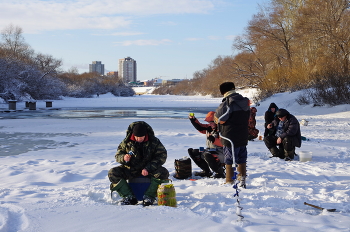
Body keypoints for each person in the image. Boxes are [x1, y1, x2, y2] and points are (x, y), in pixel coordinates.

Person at [108, 121, 169, 206]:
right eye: (137, 137)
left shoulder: (154, 141)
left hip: (148, 170)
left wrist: (148, 168)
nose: (139, 139)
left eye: (142, 137)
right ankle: (129, 197)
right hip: (131, 169)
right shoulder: (126, 142)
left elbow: (162, 156)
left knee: (163, 172)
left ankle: (149, 197)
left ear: (146, 134)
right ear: (133, 134)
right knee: (113, 172)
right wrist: (123, 157)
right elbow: (118, 155)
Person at [214, 82, 250, 188]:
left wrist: (216, 119)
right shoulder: (244, 101)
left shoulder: (227, 103)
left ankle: (229, 180)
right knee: (242, 157)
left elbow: (220, 119)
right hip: (243, 134)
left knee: (229, 158)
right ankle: (242, 179)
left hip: (229, 135)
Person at [188, 111, 225, 178]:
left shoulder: (222, 130)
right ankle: (206, 171)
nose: (210, 124)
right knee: (194, 152)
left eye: (211, 122)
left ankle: (219, 173)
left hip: (222, 152)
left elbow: (224, 143)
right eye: (209, 123)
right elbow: (200, 127)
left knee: (207, 154)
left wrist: (213, 139)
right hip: (211, 150)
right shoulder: (210, 128)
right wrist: (193, 119)